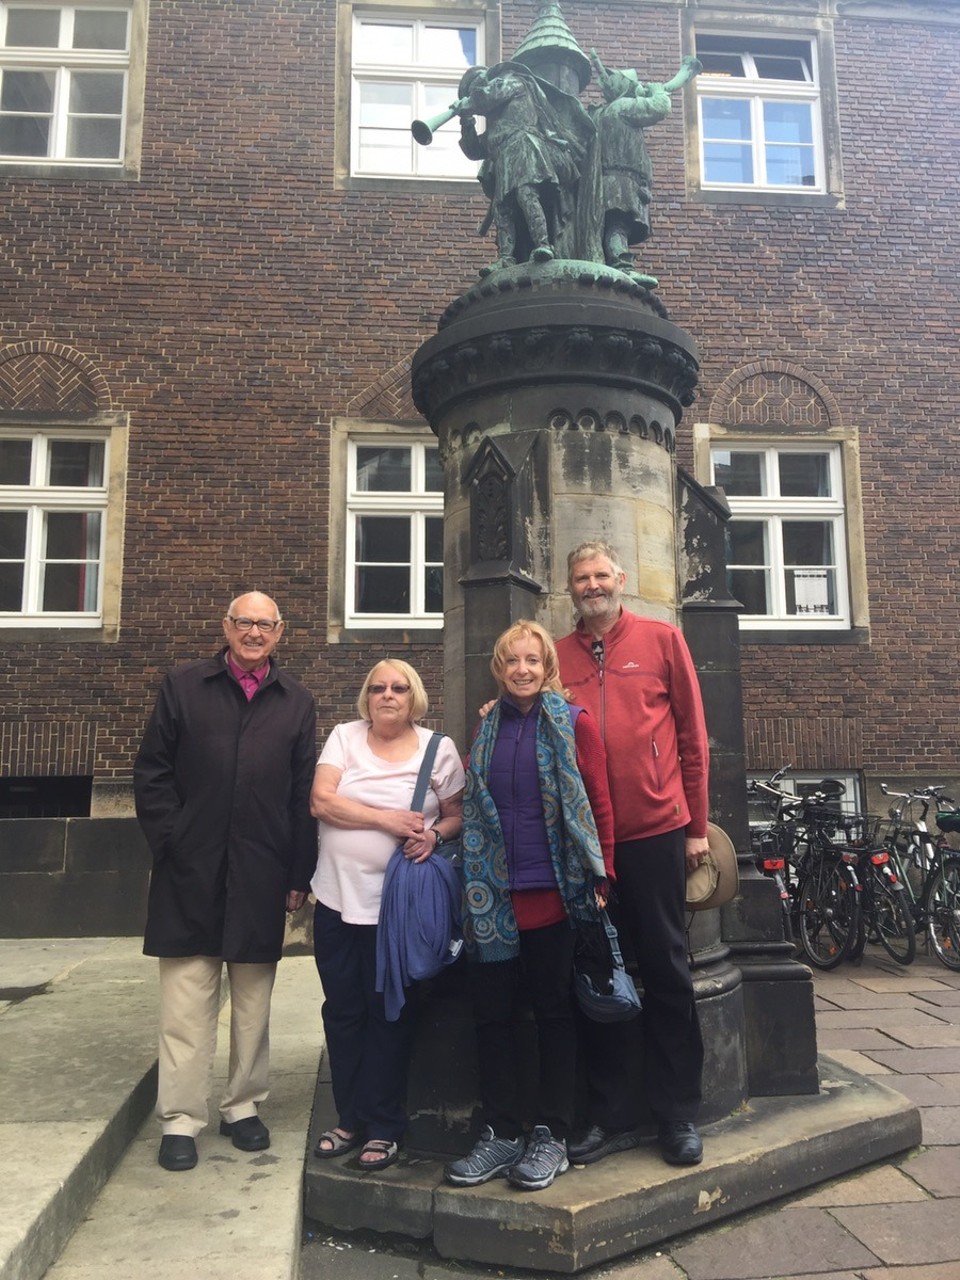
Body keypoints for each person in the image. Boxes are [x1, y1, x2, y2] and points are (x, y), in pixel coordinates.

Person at [134, 591, 317, 1173]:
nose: (255, 633)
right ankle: (182, 1119)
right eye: (245, 623)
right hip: (190, 869)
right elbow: (152, 773)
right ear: (227, 627)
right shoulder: (184, 686)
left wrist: (298, 873)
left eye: (266, 625)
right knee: (186, 1004)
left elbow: (301, 794)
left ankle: (243, 1108)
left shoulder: (296, 702)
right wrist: (173, 842)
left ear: (280, 633)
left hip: (263, 870)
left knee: (253, 1004)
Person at [555, 541, 710, 1168]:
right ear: (569, 588)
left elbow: (694, 739)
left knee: (667, 969)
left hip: (655, 832)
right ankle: (609, 1113)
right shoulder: (557, 654)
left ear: (620, 579)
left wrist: (696, 827)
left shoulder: (662, 640)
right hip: (587, 842)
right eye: (581, 577)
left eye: (600, 575)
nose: (592, 585)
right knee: (599, 975)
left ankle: (678, 1113)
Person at [445, 621, 615, 1192]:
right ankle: (500, 1132)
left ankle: (551, 1134)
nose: (522, 669)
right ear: (500, 667)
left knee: (553, 1014)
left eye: (533, 660)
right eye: (512, 660)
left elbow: (598, 802)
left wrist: (603, 874)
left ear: (548, 668)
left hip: (554, 893)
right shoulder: (487, 724)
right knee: (491, 1017)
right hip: (490, 895)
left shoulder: (573, 723)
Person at [309, 660, 464, 1171]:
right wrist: (386, 819)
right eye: (377, 688)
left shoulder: (436, 749)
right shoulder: (344, 738)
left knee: (387, 1014)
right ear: (366, 697)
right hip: (335, 900)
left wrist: (434, 834)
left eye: (399, 688)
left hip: (394, 910)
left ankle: (384, 1126)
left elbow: (458, 814)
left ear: (414, 696)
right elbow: (320, 801)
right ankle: (348, 1118)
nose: (387, 695)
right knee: (343, 1010)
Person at [457, 61, 590, 273]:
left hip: (524, 146)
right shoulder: (496, 121)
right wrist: (466, 121)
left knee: (526, 195)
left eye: (475, 88)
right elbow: (474, 150)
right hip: (504, 159)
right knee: (503, 208)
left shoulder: (513, 81)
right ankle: (506, 258)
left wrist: (471, 99)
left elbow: (489, 96)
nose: (475, 93)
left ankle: (543, 245)